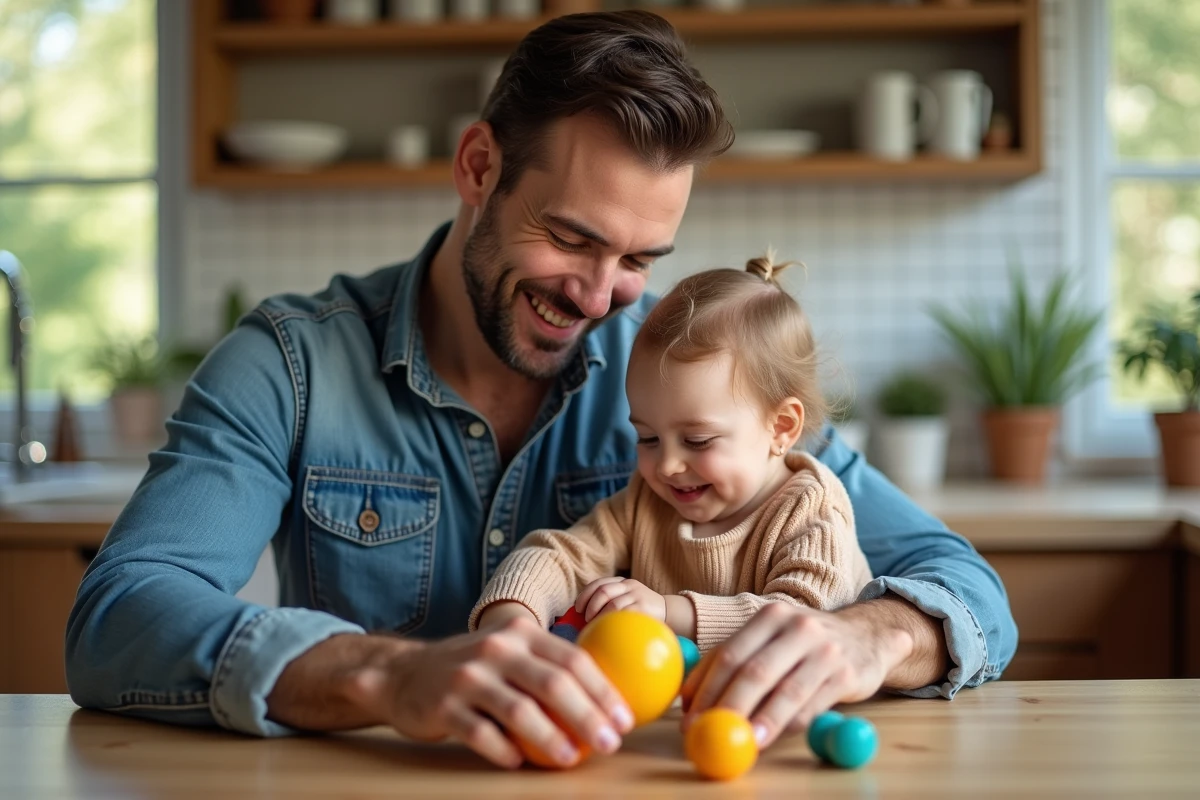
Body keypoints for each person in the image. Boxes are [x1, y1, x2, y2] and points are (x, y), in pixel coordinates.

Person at [66, 10, 1017, 771]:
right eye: (570, 239)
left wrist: (873, 640)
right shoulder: (289, 364)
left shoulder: (692, 378)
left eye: (640, 257)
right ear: (479, 167)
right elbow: (120, 616)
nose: (601, 297)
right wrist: (385, 675)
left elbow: (966, 587)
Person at [471, 257, 873, 657]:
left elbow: (806, 622)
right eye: (647, 438)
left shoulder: (811, 509)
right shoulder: (646, 502)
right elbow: (561, 556)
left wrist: (668, 611)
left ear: (782, 427)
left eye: (697, 441)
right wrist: (513, 614)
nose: (666, 466)